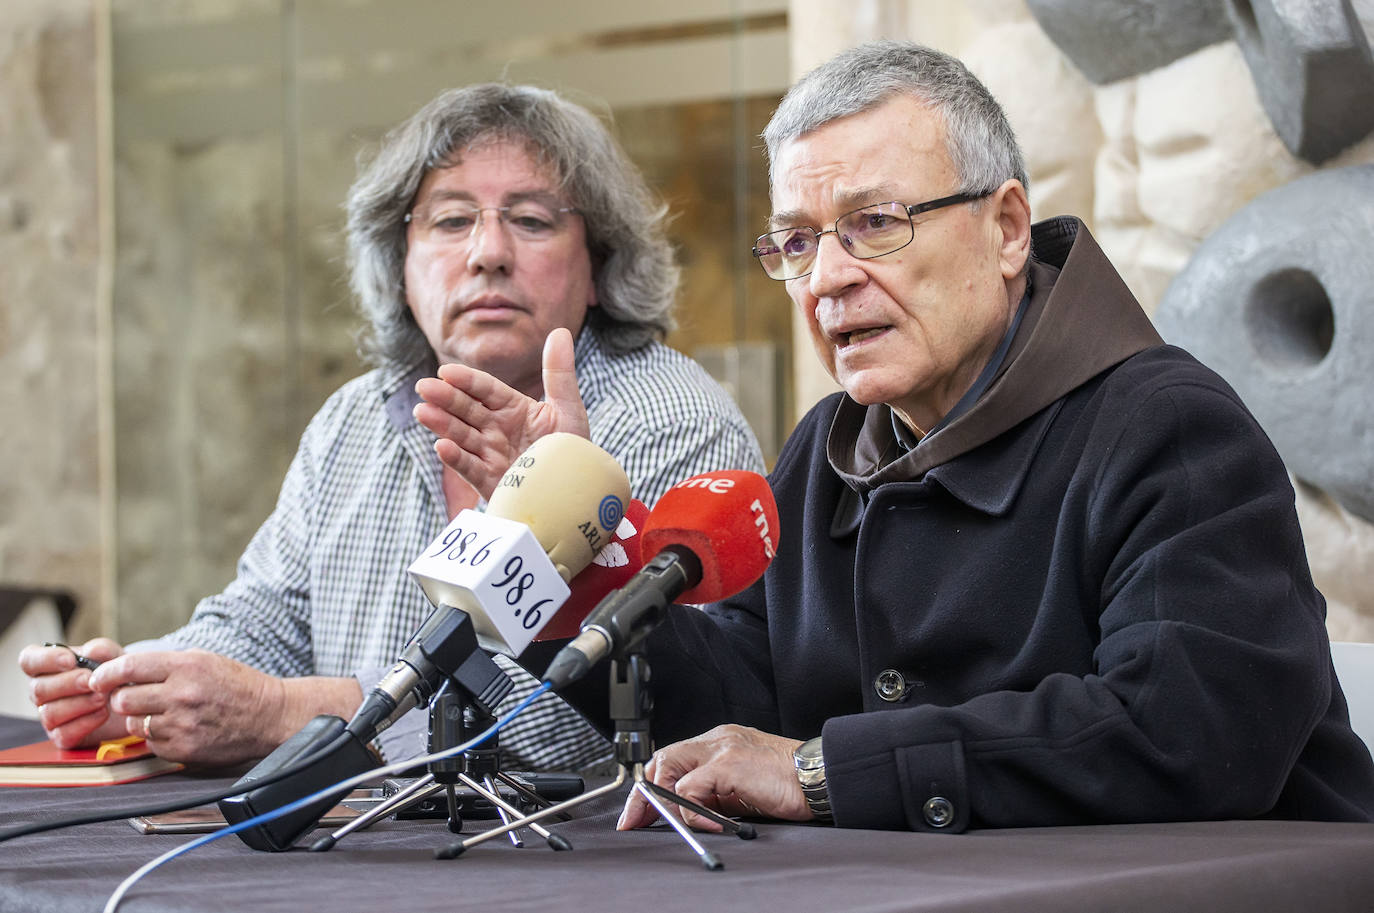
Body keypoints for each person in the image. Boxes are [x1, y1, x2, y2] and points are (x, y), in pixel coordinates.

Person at [588, 40, 1374, 832]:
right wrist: (568, 562)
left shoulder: (1169, 427)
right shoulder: (827, 447)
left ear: (1006, 229)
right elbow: (741, 703)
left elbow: (1185, 729)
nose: (826, 277)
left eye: (873, 223)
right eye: (797, 242)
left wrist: (824, 772)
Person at [20, 83, 764, 772]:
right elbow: (265, 617)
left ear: (598, 265)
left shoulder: (671, 421)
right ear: (399, 264)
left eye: (532, 220)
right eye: (450, 220)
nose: (488, 253)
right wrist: (138, 680)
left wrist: (280, 713)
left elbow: (576, 728)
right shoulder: (354, 418)